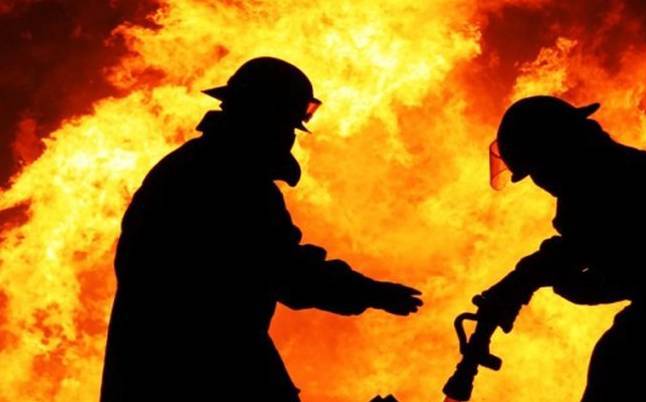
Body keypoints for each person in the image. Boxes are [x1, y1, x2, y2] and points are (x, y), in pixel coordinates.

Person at [100, 57, 423, 402]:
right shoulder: (228, 181)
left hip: (159, 365)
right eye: (286, 126)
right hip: (200, 367)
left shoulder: (194, 166)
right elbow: (286, 270)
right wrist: (370, 292)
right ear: (263, 119)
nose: (289, 138)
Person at [477, 95, 646, 401]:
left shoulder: (609, 182)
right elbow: (575, 250)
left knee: (619, 369)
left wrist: (579, 288)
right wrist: (518, 284)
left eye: (535, 171)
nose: (540, 182)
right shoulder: (605, 172)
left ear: (555, 151)